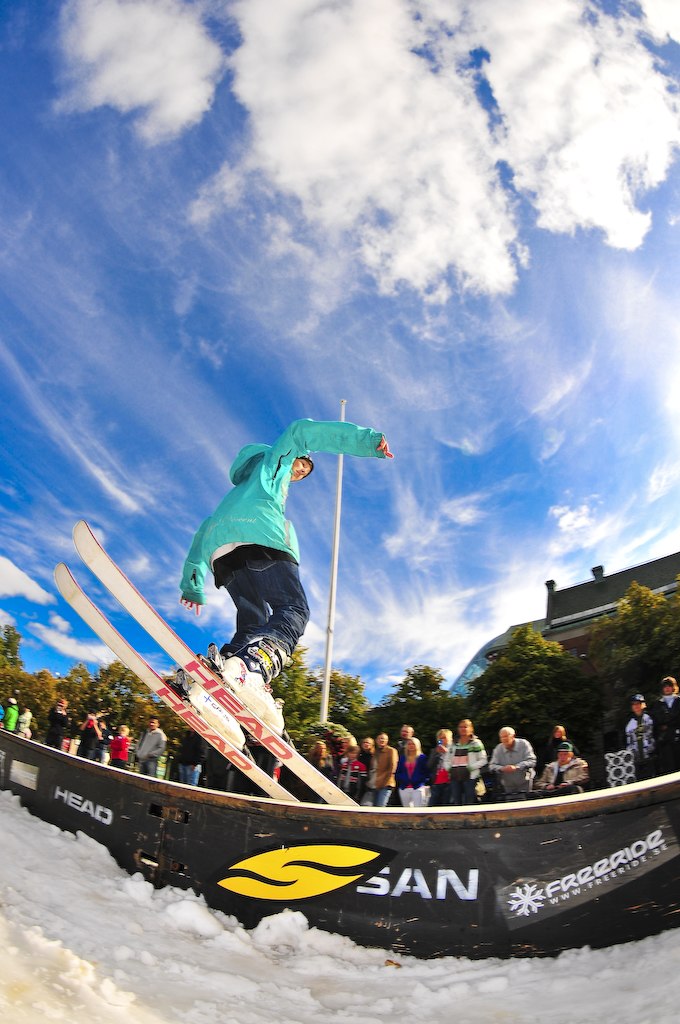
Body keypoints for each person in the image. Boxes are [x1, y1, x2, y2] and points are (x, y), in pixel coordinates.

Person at [177, 419, 393, 724]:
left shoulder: (235, 496)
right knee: (294, 609)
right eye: (301, 464)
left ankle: (211, 681)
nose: (300, 472)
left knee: (254, 622)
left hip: (221, 555)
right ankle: (253, 668)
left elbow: (203, 532)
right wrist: (368, 441)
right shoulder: (272, 464)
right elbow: (300, 432)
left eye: (304, 472)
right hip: (260, 540)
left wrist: (193, 584)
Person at [488, 727, 537, 800]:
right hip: (508, 784)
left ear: (513, 736)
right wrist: (502, 768)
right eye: (502, 737)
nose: (504, 739)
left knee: (525, 804)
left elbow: (532, 761)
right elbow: (491, 766)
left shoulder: (524, 744)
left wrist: (517, 767)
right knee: (511, 804)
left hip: (525, 782)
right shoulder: (498, 749)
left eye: (506, 736)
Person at [447, 719, 487, 806]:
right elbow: (446, 760)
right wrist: (449, 769)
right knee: (456, 802)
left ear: (471, 729)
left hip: (470, 777)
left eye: (465, 727)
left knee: (469, 802)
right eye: (461, 727)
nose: (463, 729)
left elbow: (483, 760)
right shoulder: (452, 744)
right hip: (455, 777)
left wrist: (470, 768)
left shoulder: (476, 743)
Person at [648, 676, 680, 775]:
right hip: (665, 741)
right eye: (665, 686)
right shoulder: (658, 704)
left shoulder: (678, 701)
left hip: (678, 737)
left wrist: (669, 723)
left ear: (673, 687)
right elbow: (657, 721)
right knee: (669, 768)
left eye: (669, 685)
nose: (667, 688)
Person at [625, 694, 656, 781]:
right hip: (636, 759)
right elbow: (628, 741)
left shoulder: (650, 718)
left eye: (638, 703)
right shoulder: (629, 723)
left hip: (650, 756)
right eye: (633, 704)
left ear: (643, 704)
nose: (636, 706)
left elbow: (654, 733)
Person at [395, 737, 430, 808]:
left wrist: (421, 780)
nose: (411, 746)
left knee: (418, 809)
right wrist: (402, 779)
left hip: (417, 787)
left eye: (413, 744)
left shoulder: (422, 758)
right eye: (409, 744)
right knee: (407, 809)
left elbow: (426, 772)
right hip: (404, 787)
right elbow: (398, 771)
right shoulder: (402, 758)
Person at [427, 729, 453, 806]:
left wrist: (446, 752)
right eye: (440, 738)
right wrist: (436, 754)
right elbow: (429, 765)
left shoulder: (454, 749)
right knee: (432, 805)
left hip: (449, 782)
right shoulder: (435, 750)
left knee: (446, 804)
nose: (442, 740)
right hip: (436, 782)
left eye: (444, 738)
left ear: (450, 739)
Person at [372, 732, 398, 807]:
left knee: (381, 806)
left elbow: (392, 768)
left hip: (386, 783)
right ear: (376, 740)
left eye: (384, 739)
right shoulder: (375, 752)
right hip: (375, 783)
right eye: (380, 738)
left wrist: (383, 780)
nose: (382, 740)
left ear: (387, 740)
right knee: (374, 807)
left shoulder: (391, 751)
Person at [358, 737, 376, 805]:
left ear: (372, 745)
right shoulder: (359, 755)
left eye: (368, 743)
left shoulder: (374, 756)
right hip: (359, 781)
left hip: (369, 783)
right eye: (364, 742)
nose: (366, 744)